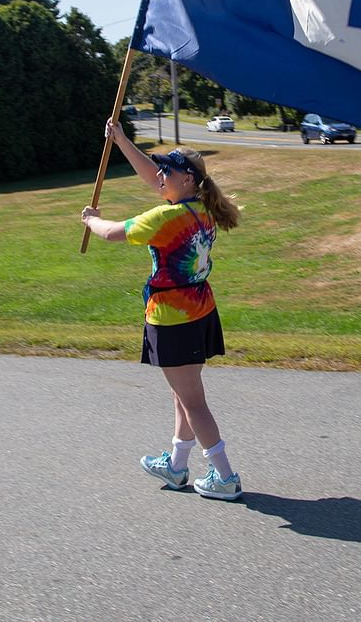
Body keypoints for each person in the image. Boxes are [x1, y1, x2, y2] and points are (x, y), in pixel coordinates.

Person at [81, 117, 243, 500]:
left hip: (172, 318)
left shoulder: (165, 218)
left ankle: (225, 477)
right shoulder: (201, 209)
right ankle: (176, 466)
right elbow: (152, 176)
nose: (159, 178)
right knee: (182, 394)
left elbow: (113, 233)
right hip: (199, 310)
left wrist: (91, 220)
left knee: (192, 400)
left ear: (185, 179)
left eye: (167, 172)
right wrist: (121, 140)